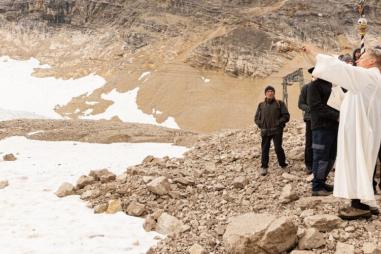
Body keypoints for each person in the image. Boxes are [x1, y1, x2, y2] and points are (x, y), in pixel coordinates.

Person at [312, 46, 381, 219]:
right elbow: (353, 98)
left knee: (356, 162)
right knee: (362, 163)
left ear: (372, 61)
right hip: (361, 129)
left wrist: (314, 51)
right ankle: (367, 201)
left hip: (360, 131)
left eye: (362, 57)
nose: (358, 59)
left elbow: (343, 69)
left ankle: (358, 205)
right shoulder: (371, 77)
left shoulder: (370, 75)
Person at [307, 70, 339, 196]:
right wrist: (336, 116)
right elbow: (316, 107)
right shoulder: (313, 86)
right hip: (320, 128)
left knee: (331, 157)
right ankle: (317, 186)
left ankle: (322, 181)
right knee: (320, 158)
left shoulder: (331, 85)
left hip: (333, 127)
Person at [255, 85, 290, 176]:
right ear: (265, 94)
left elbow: (286, 116)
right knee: (265, 149)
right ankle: (264, 167)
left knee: (278, 148)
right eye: (268, 91)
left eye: (271, 91)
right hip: (265, 131)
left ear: (274, 93)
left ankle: (283, 165)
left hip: (277, 130)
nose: (270, 93)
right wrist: (260, 124)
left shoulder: (280, 103)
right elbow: (256, 118)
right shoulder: (261, 105)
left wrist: (278, 123)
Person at [298, 68, 314, 174]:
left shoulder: (327, 87)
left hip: (323, 120)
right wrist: (311, 109)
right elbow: (300, 104)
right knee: (309, 142)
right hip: (310, 119)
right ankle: (309, 164)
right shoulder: (306, 88)